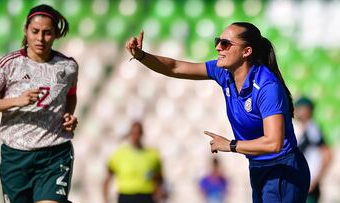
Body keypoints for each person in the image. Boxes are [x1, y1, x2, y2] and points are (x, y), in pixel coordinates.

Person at [126, 22, 310, 203]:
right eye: (218, 41)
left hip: (283, 170)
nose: (217, 48)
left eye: (225, 44)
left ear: (246, 51)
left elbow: (274, 143)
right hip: (258, 166)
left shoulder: (266, 87)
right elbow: (175, 67)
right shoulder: (224, 73)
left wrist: (230, 145)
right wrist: (141, 55)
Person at [0, 4, 78, 203]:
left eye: (47, 33)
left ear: (56, 34)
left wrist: (68, 115)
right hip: (16, 157)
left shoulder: (68, 66)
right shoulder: (8, 64)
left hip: (55, 154)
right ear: (26, 30)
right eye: (35, 32)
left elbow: (70, 95)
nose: (40, 39)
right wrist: (18, 100)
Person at [103, 121, 165, 203]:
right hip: (126, 196)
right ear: (130, 134)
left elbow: (159, 179)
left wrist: (158, 194)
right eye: (133, 133)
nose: (136, 136)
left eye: (138, 133)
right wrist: (106, 199)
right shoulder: (120, 155)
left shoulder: (152, 155)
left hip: (146, 196)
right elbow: (108, 178)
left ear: (142, 134)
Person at [294, 96, 333, 203]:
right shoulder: (301, 128)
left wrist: (315, 179)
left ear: (309, 110)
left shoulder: (313, 129)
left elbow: (327, 154)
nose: (297, 111)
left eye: (301, 108)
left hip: (308, 185)